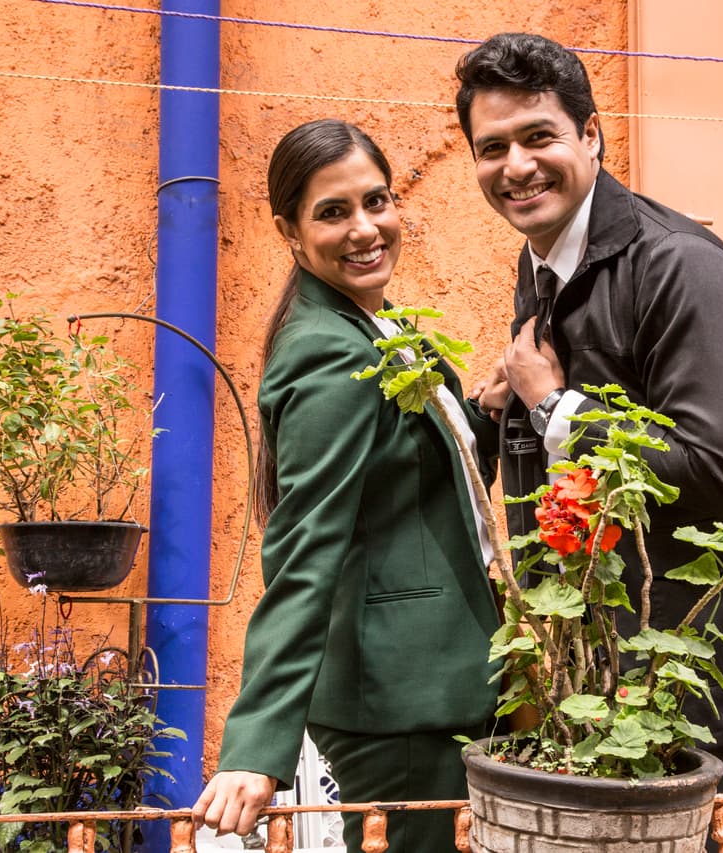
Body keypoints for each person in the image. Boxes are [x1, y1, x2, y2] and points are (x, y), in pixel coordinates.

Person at [455, 33, 723, 853]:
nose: (516, 166)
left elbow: (714, 470)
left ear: (591, 135)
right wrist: (510, 403)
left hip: (701, 674)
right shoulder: (542, 261)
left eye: (539, 136)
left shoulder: (682, 265)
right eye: (492, 147)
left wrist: (556, 405)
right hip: (601, 674)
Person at [191, 118, 501, 853]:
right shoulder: (330, 354)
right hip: (400, 704)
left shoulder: (375, 323)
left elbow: (424, 480)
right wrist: (254, 746)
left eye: (377, 201)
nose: (366, 228)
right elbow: (304, 552)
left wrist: (489, 409)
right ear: (288, 231)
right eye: (333, 212)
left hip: (432, 685)